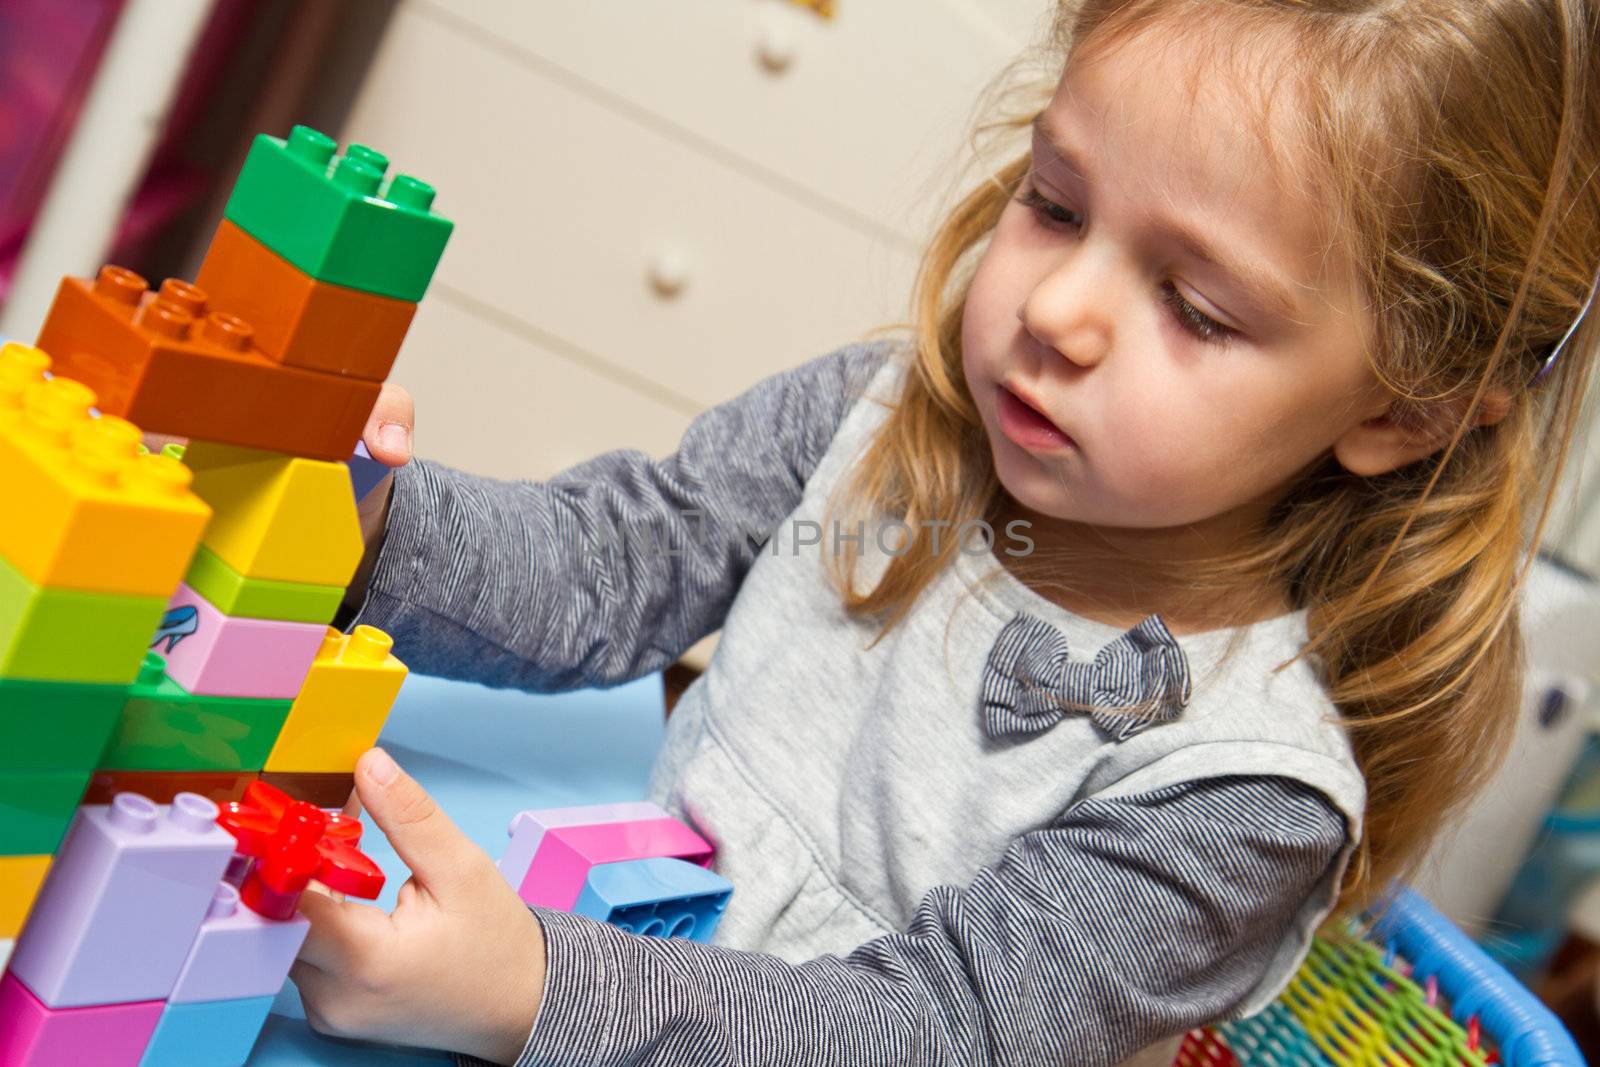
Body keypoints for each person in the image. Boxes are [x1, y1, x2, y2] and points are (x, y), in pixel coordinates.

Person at [287, 1, 1600, 1064]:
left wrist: (529, 989)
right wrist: (363, 513)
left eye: (1195, 308)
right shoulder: (878, 422)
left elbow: (927, 1035)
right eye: (1056, 203)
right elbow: (602, 565)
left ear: (1407, 413)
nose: (1059, 313)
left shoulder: (1240, 797)